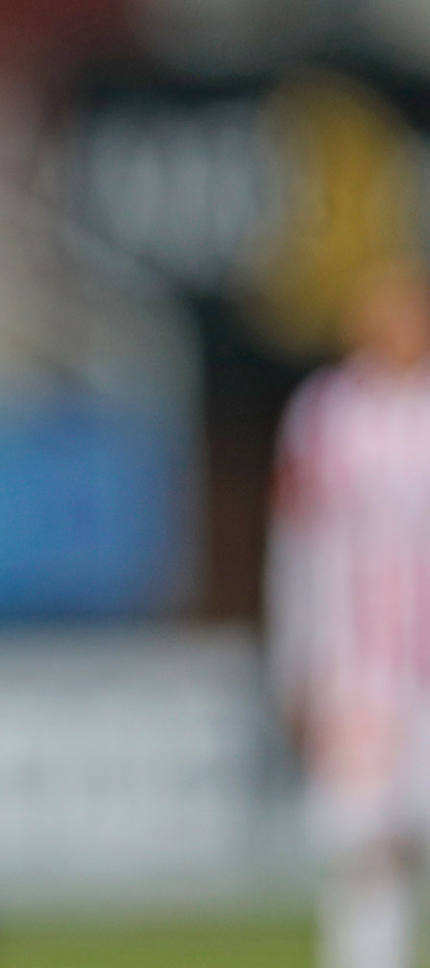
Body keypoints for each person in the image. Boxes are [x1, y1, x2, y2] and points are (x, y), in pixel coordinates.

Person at [267, 259, 430, 968]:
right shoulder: (324, 415)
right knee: (363, 844)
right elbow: (297, 549)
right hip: (358, 671)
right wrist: (295, 663)